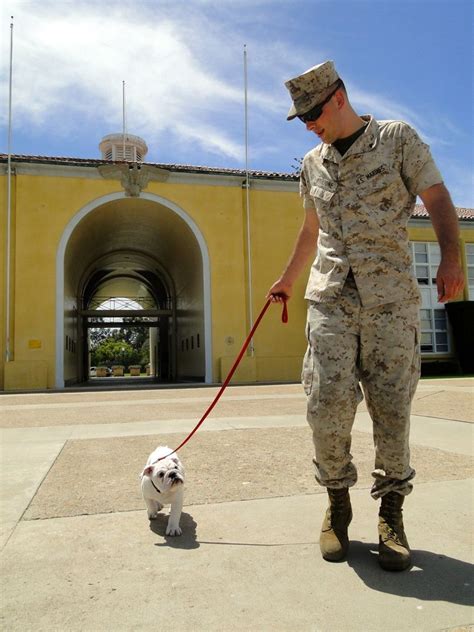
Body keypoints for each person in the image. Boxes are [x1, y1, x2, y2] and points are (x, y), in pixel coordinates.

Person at [267, 60, 464, 571]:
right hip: (330, 298)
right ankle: (337, 503)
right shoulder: (312, 163)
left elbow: (438, 198)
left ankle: (392, 515)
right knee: (324, 403)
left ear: (338, 96)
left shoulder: (397, 139)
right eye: (300, 116)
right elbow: (311, 230)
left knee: (392, 409)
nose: (308, 122)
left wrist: (451, 257)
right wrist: (287, 281)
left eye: (312, 111)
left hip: (391, 301)